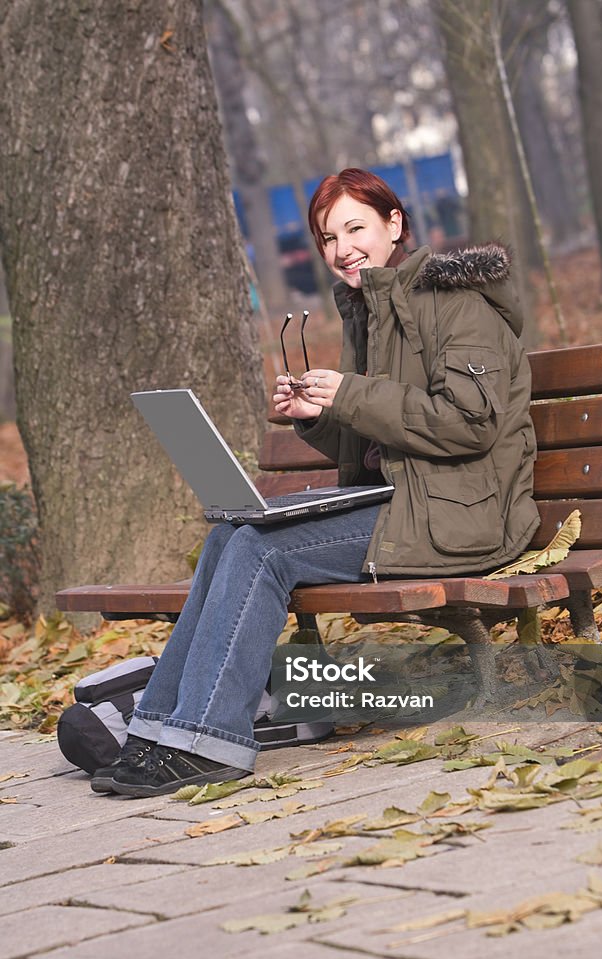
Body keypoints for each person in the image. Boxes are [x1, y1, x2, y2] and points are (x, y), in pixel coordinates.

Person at [95, 168, 539, 798]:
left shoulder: (459, 308)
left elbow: (470, 426)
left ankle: (208, 742)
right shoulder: (375, 311)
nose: (342, 249)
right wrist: (320, 418)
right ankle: (159, 730)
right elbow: (378, 442)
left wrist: (353, 394)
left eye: (355, 228)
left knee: (261, 549)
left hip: (466, 512)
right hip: (412, 502)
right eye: (327, 238)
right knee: (232, 535)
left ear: (395, 225)